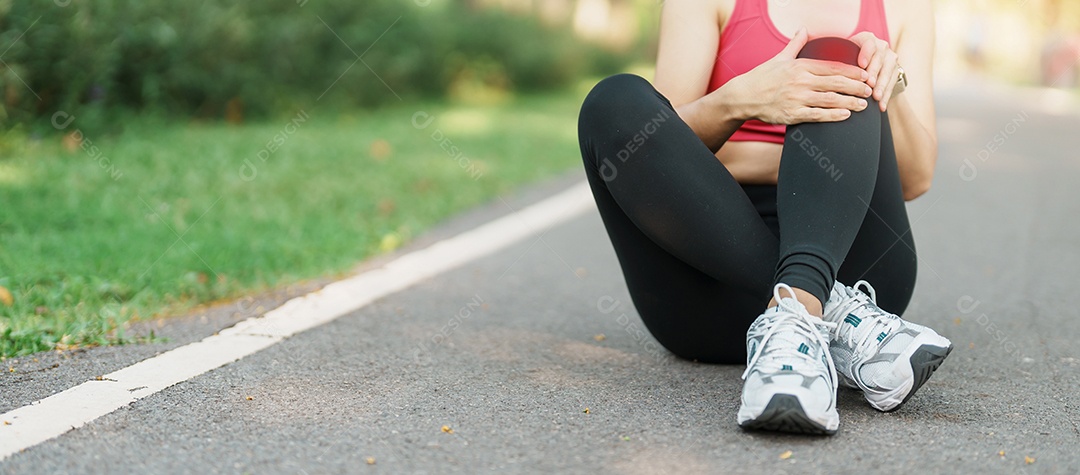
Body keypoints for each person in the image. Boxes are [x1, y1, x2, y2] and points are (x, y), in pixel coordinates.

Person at [577, 0, 952, 435]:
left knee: (838, 58)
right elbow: (655, 154)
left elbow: (915, 178)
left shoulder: (908, 9)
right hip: (708, 298)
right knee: (613, 101)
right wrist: (741, 101)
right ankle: (828, 309)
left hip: (857, 263)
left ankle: (804, 308)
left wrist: (887, 82)